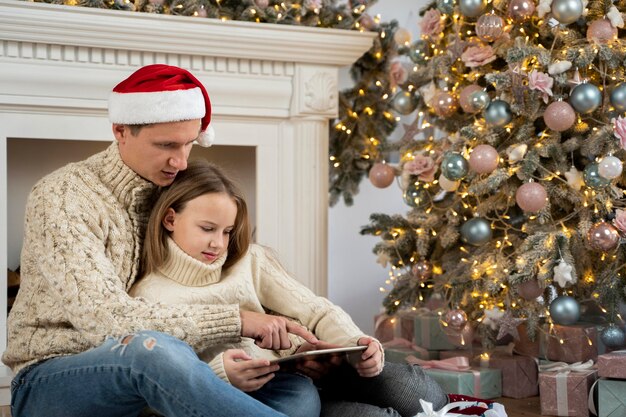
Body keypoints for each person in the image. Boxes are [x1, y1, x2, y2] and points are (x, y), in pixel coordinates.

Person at [2, 64, 319, 417]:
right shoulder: (62, 196)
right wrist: (238, 321)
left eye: (188, 145)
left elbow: (214, 281)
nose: (181, 162)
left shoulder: (175, 195)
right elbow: (105, 321)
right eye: (166, 145)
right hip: (52, 379)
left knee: (294, 388)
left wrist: (290, 344)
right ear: (120, 130)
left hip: (165, 370)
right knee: (149, 351)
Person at [130, 159, 449, 417]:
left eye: (227, 231)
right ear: (170, 219)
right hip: (270, 396)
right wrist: (219, 375)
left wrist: (355, 345)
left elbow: (316, 309)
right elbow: (158, 379)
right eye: (207, 229)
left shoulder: (248, 260)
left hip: (313, 369)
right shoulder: (150, 295)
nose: (219, 243)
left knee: (424, 395)